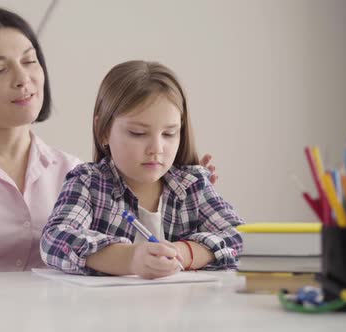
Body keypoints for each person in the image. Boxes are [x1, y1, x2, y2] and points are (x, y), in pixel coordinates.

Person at [0, 8, 217, 276]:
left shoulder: (74, 171)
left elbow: (121, 251)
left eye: (29, 61)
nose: (23, 79)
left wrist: (171, 185)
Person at [40, 60, 243, 279]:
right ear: (103, 131)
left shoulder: (192, 185)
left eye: (169, 134)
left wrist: (185, 252)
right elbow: (55, 240)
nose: (156, 149)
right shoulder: (88, 183)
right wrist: (131, 259)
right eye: (138, 133)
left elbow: (242, 238)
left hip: (183, 310)